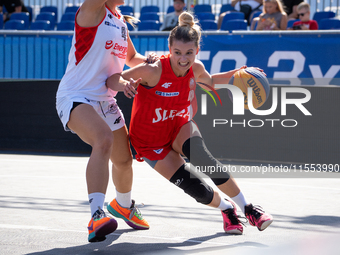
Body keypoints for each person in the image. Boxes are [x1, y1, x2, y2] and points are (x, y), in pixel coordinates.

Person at [107, 11, 273, 235]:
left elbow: (212, 81)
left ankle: (249, 209)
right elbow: (112, 79)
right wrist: (124, 85)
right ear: (169, 49)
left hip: (179, 126)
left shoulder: (196, 69)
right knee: (199, 190)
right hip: (149, 142)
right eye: (177, 53)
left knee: (204, 159)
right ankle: (227, 208)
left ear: (197, 51)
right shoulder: (153, 70)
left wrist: (240, 73)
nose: (183, 58)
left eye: (189, 53)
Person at [56, 0, 158, 243]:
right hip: (76, 95)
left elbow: (132, 57)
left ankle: (123, 205)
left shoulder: (120, 21)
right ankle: (96, 215)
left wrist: (155, 63)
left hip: (106, 99)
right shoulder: (93, 10)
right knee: (103, 140)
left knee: (124, 160)